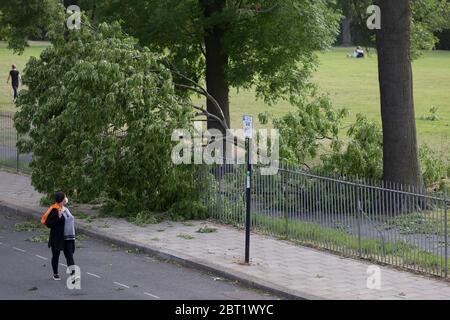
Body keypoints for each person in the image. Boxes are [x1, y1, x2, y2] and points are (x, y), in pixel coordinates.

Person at [45, 191, 77, 281]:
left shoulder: (65, 209)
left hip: (68, 237)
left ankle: (73, 275)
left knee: (69, 256)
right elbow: (48, 224)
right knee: (56, 255)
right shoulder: (54, 210)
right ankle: (55, 273)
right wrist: (58, 218)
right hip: (57, 238)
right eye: (65, 197)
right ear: (62, 199)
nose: (66, 199)